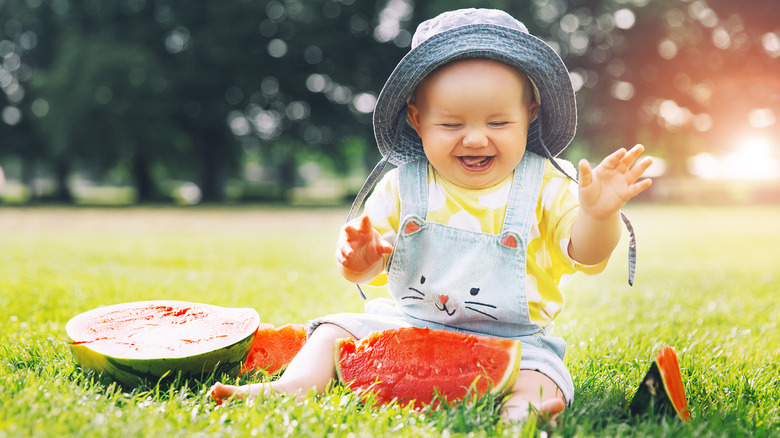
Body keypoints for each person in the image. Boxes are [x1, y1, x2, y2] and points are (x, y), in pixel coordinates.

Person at [212, 8, 653, 423]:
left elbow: (587, 254)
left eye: (498, 123)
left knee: (542, 374)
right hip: (408, 325)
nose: (476, 138)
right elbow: (370, 266)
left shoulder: (548, 188)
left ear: (530, 114)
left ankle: (522, 413)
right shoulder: (402, 185)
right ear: (417, 119)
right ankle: (293, 385)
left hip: (515, 342)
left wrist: (598, 215)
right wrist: (360, 260)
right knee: (331, 331)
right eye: (451, 124)